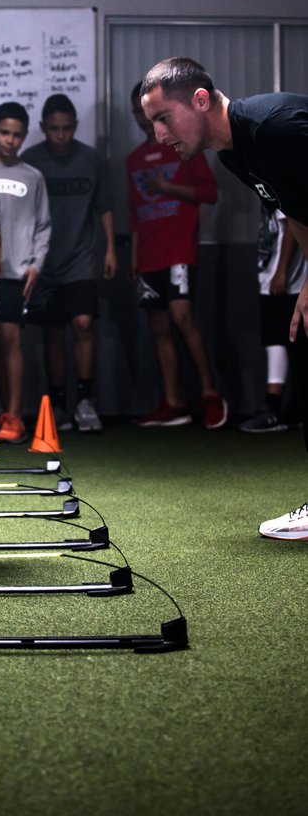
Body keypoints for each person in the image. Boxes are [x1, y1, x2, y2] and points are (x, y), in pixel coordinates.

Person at [140, 55, 308, 539]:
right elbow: (296, 210)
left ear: (200, 100)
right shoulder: (234, 153)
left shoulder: (275, 129)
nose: (159, 136)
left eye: (163, 118)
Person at [127, 81, 227, 429]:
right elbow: (135, 211)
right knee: (157, 325)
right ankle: (173, 403)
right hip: (148, 255)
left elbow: (210, 193)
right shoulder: (133, 160)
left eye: (150, 113)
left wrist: (165, 186)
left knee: (182, 318)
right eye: (138, 113)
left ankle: (211, 395)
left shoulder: (185, 147)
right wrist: (134, 259)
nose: (144, 120)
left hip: (180, 251)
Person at [21, 93, 117, 433]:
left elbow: (104, 206)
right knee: (53, 332)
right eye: (54, 129)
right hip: (44, 261)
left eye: (67, 129)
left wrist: (111, 250)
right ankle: (60, 404)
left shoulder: (91, 160)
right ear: (44, 127)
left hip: (81, 258)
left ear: (75, 127)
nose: (61, 136)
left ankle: (86, 401)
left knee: (84, 324)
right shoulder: (30, 162)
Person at [0, 102, 50, 443]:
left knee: (11, 339)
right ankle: (5, 412)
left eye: (17, 135)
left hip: (16, 272)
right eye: (5, 133)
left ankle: (15, 416)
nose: (11, 140)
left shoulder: (33, 176)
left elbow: (43, 225)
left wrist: (36, 263)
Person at [240, 206, 307, 434]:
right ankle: (290, 409)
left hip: (288, 281)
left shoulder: (281, 187)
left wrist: (282, 271)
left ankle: (274, 407)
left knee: (282, 340)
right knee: (284, 341)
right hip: (273, 274)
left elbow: (292, 224)